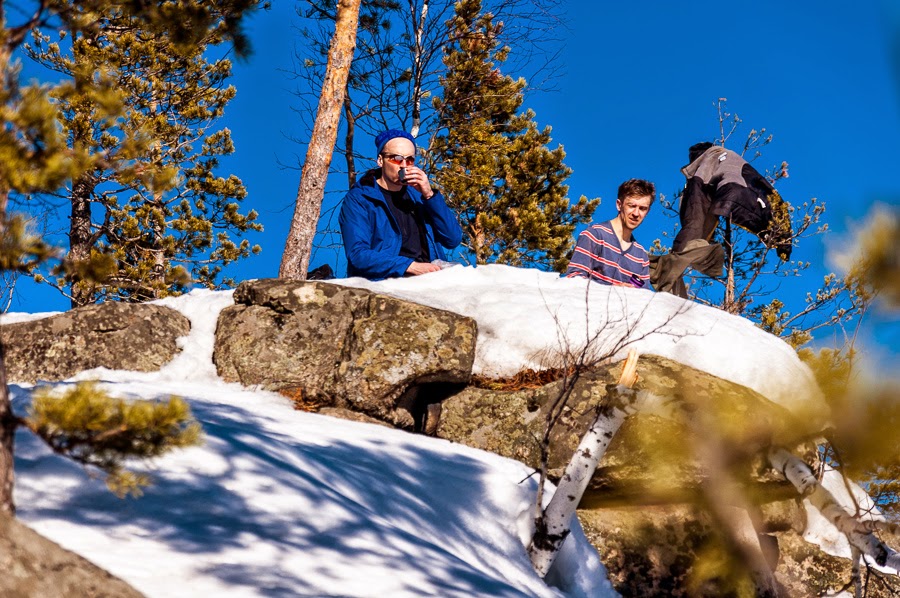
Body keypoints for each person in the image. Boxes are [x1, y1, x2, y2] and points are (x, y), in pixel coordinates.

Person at [339, 129, 462, 280]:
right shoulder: (360, 198)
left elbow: (453, 239)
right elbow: (358, 255)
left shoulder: (419, 196)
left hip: (430, 279)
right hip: (386, 282)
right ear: (380, 160)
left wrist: (430, 195)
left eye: (409, 160)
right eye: (397, 158)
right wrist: (410, 266)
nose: (404, 165)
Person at [673, 141, 792, 259]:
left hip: (730, 192)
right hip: (740, 194)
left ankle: (679, 260)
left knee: (695, 226)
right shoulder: (731, 156)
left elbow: (696, 209)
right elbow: (766, 189)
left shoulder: (704, 165)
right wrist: (784, 241)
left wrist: (683, 250)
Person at [564, 179, 655, 288]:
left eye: (642, 208)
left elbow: (645, 299)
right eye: (631, 206)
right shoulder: (594, 235)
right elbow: (574, 280)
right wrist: (614, 290)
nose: (636, 213)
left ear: (648, 212)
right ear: (619, 205)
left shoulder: (641, 257)